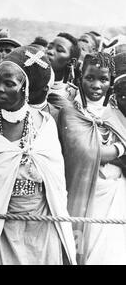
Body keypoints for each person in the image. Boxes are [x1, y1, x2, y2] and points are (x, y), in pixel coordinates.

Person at [0, 45, 76, 265]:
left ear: (25, 88)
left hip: (40, 225)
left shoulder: (45, 125)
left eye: (9, 84)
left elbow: (56, 185)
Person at [58, 52, 126, 264]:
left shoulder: (114, 114)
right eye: (90, 78)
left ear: (111, 83)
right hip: (83, 192)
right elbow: (83, 152)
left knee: (110, 253)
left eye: (103, 79)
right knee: (81, 250)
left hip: (114, 194)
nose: (97, 85)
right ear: (80, 78)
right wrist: (121, 148)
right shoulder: (70, 112)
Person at [47, 32, 80, 108]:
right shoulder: (27, 84)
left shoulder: (74, 96)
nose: (50, 52)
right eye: (49, 47)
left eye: (59, 50)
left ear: (72, 62)